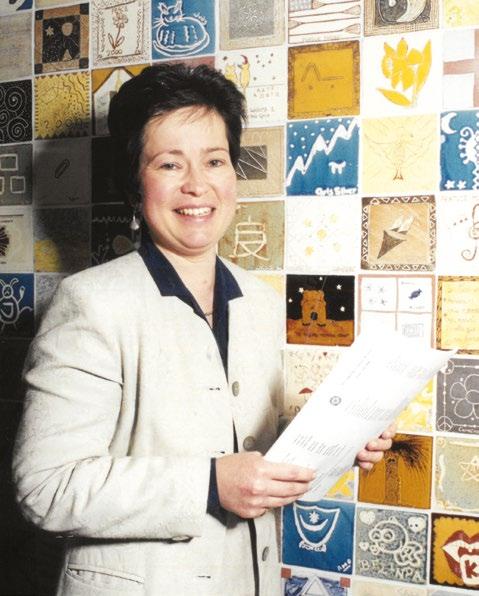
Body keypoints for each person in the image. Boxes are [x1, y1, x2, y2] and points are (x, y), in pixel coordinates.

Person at [13, 64, 394, 596]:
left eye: (214, 160)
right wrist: (210, 485)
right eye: (169, 163)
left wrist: (331, 437)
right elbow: (46, 488)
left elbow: (240, 448)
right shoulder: (91, 304)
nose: (197, 184)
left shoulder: (261, 301)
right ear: (135, 185)